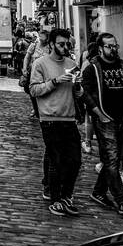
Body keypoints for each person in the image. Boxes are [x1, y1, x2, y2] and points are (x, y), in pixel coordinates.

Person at [78, 33, 123, 215]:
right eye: (109, 46)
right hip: (105, 120)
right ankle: (122, 200)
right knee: (111, 159)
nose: (113, 49)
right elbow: (85, 95)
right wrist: (99, 114)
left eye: (115, 46)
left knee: (113, 159)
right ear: (100, 48)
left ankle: (99, 192)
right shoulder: (92, 69)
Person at [28, 28, 83, 218]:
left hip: (69, 118)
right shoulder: (40, 64)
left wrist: (78, 87)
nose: (65, 47)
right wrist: (55, 81)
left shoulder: (72, 63)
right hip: (50, 119)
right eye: (61, 44)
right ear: (51, 44)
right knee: (56, 160)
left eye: (67, 44)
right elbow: (34, 90)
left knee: (75, 160)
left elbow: (77, 93)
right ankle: (56, 199)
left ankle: (67, 195)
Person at [20, 25, 55, 201]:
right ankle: (37, 109)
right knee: (34, 95)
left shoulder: (52, 47)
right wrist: (25, 69)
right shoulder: (34, 45)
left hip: (48, 81)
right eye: (41, 33)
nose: (42, 36)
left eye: (45, 34)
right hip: (36, 79)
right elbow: (27, 57)